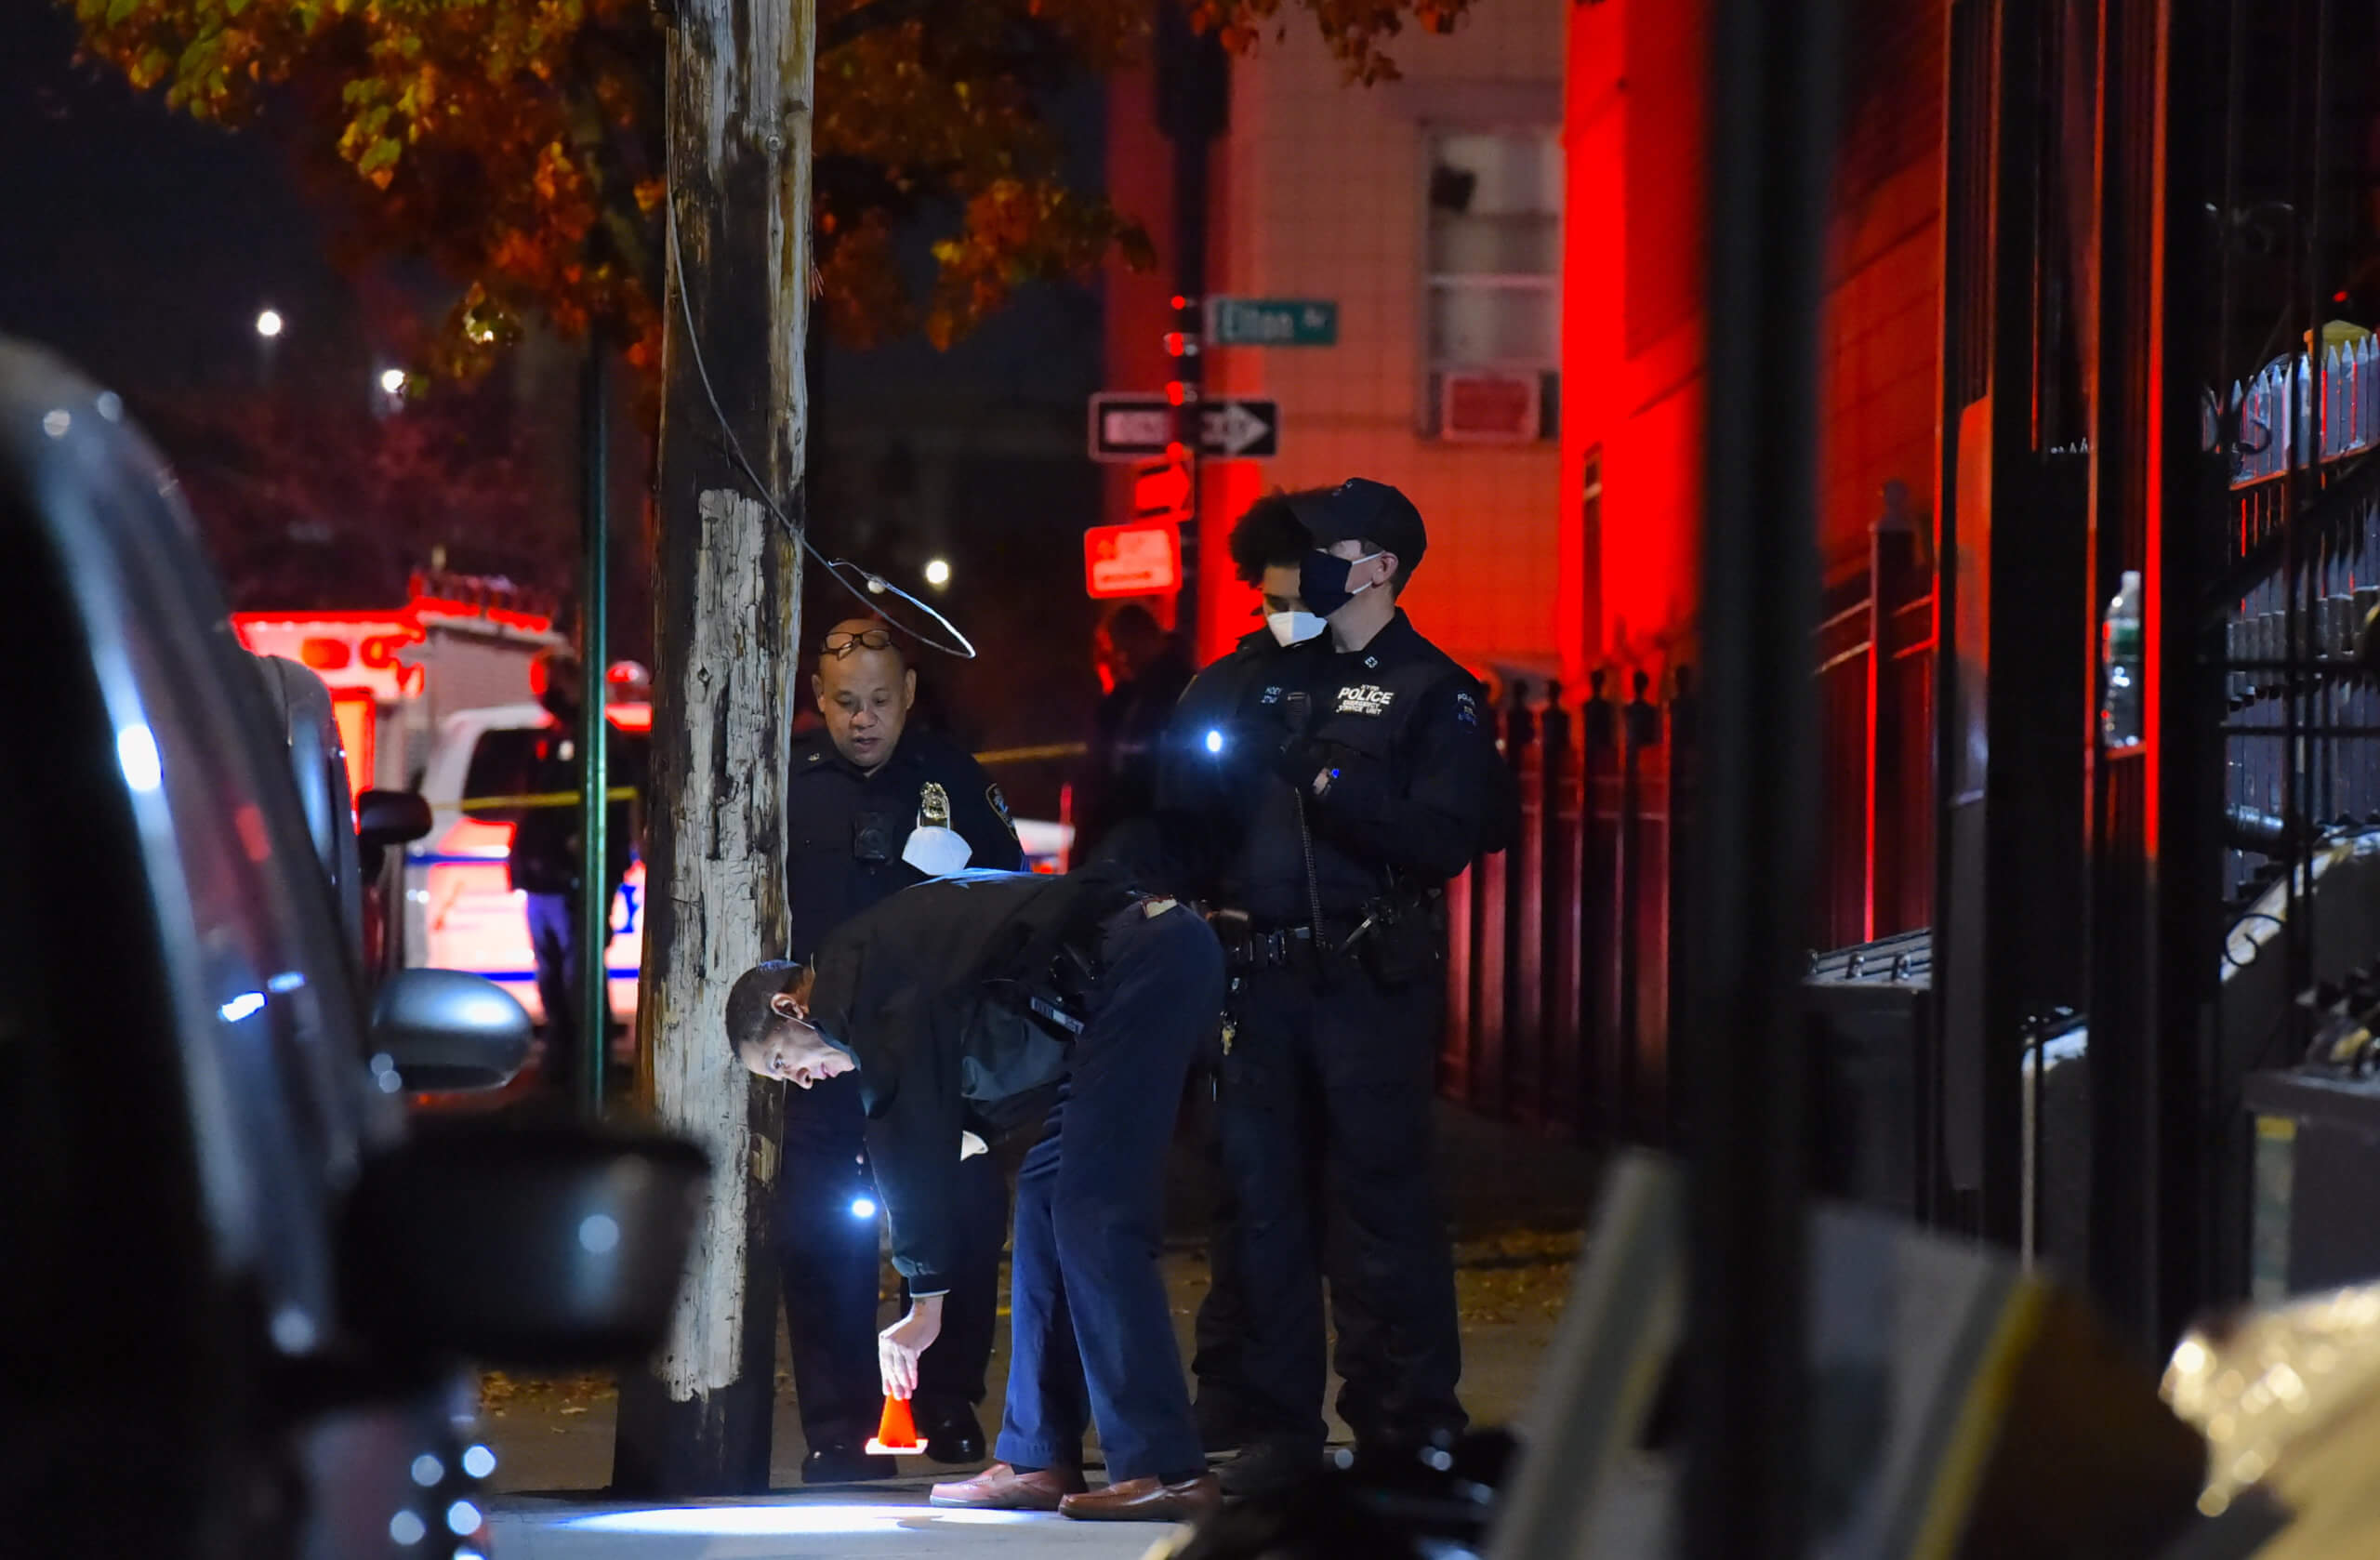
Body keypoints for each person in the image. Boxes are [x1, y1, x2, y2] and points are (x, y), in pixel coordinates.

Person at [726, 864, 1227, 1523]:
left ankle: (1166, 1469)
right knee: (1047, 1201)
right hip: (1109, 988)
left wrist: (924, 1303)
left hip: (1144, 960)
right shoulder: (868, 968)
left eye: (782, 1064)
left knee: (1093, 1212)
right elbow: (961, 1054)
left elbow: (903, 1132)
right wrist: (975, 1130)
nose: (803, 1082)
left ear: (791, 1008)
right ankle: (1039, 1455)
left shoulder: (861, 982)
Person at [1194, 479, 1515, 1489]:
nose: (1302, 564)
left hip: (1368, 987)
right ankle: (1270, 1427)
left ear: (1376, 565)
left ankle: (1402, 1426)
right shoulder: (1266, 673)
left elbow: (1447, 834)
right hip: (1262, 981)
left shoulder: (1434, 690)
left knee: (1380, 1209)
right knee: (1261, 1206)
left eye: (1324, 548)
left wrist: (1324, 778)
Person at [776, 616, 1023, 1484]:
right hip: (825, 1053)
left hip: (938, 1053)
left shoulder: (954, 782)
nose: (864, 719)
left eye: (881, 700)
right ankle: (839, 1428)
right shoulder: (790, 785)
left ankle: (950, 1400)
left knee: (960, 1217)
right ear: (818, 699)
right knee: (822, 1232)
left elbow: (1015, 910)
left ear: (910, 694)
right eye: (845, 703)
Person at [506, 648, 641, 1104]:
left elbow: (608, 811)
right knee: (550, 971)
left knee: (576, 972)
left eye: (547, 681)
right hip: (542, 877)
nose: (541, 691)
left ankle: (590, 1064)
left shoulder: (597, 739)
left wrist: (581, 858)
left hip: (573, 878)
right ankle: (562, 1059)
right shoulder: (553, 738)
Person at [1071, 603, 1195, 863]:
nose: (1121, 657)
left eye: (1123, 646)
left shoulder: (1165, 694)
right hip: (1144, 834)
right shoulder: (1129, 699)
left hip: (1152, 836)